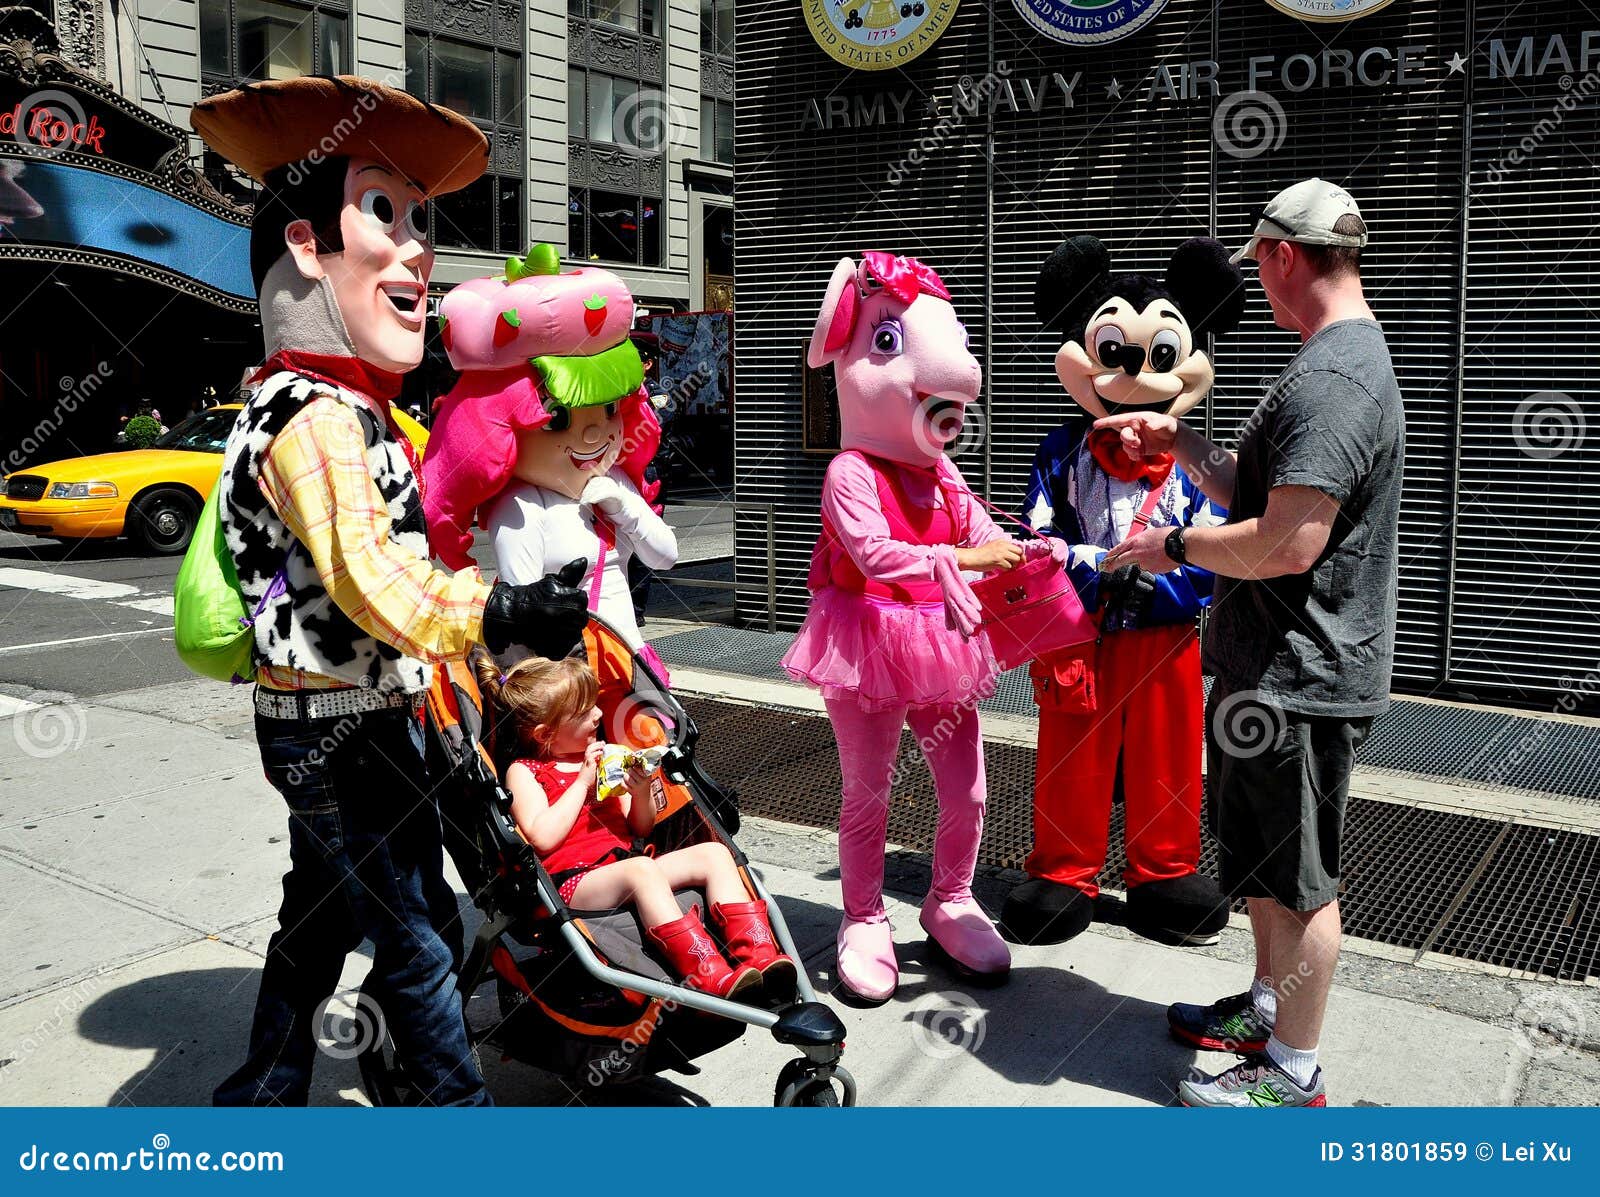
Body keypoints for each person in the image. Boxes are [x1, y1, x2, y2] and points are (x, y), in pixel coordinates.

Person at [193, 77, 591, 1107]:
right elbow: (374, 586)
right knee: (418, 936)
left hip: (346, 717)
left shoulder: (343, 409)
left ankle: (262, 1098)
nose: (419, 249)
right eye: (383, 213)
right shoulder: (314, 417)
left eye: (421, 220)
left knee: (321, 920)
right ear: (304, 247)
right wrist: (501, 613)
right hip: (339, 726)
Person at [1096, 179, 1405, 1108]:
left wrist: (1169, 545)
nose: (1255, 290)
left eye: (1258, 267)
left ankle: (1293, 1071)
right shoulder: (1326, 360)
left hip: (1298, 678)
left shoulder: (1335, 379)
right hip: (1264, 672)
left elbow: (1289, 540)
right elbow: (1255, 492)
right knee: (1265, 865)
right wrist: (1180, 440)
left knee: (1303, 883)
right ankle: (1267, 1009)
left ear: (1282, 256)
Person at [781, 252, 1037, 1002]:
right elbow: (874, 553)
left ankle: (950, 898)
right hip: (863, 641)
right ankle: (862, 915)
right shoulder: (848, 472)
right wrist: (973, 553)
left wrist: (1033, 552)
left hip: (941, 645)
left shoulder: (944, 475)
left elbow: (990, 535)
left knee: (969, 791)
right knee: (869, 792)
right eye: (889, 345)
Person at [478, 652, 796, 1001]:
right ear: (545, 734)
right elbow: (542, 837)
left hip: (626, 865)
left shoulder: (609, 757)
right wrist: (582, 784)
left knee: (714, 854)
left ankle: (759, 954)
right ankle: (707, 975)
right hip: (574, 881)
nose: (598, 714)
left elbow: (638, 827)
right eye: (584, 712)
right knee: (642, 870)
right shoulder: (525, 772)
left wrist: (640, 790)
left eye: (595, 705)